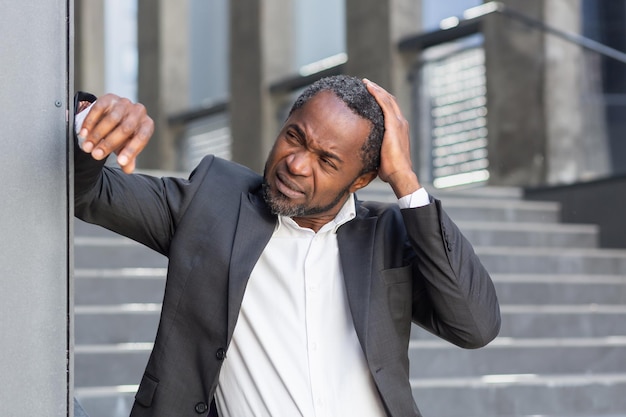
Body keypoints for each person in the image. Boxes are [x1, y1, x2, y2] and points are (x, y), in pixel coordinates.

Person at [73, 75, 500, 417]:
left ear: (361, 180)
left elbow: (474, 326)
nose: (296, 163)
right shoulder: (212, 205)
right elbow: (87, 192)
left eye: (326, 160)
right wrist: (90, 128)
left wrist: (405, 179)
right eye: (295, 137)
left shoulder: (386, 237)